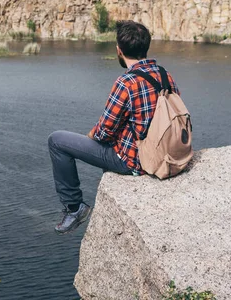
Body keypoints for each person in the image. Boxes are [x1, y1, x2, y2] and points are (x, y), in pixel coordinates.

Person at [48, 20, 180, 234]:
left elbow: (104, 132)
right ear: (146, 46)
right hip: (166, 153)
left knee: (57, 141)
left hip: (134, 162)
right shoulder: (165, 75)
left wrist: (91, 134)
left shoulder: (126, 82)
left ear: (119, 50)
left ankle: (75, 207)